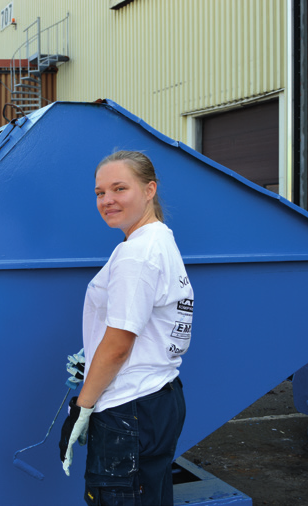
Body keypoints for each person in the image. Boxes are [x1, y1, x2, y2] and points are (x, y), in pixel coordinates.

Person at [59, 150, 194, 505]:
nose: (107, 200)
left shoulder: (137, 253)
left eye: (120, 188)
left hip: (128, 408)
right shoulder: (158, 239)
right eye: (100, 192)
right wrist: (94, 354)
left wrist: (81, 408)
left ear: (150, 189)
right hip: (158, 397)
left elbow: (119, 344)